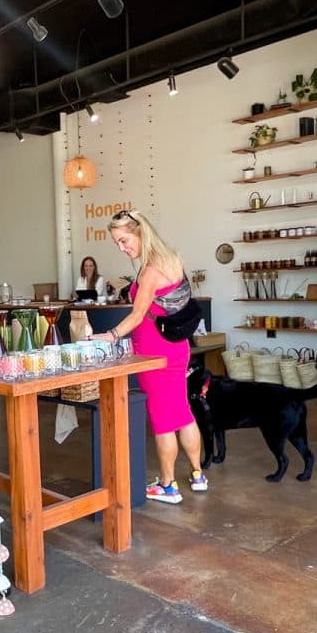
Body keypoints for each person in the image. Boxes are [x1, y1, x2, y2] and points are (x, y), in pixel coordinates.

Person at [90, 209, 205, 504]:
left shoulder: (151, 270)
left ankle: (168, 486)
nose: (122, 247)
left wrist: (111, 335)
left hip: (155, 351)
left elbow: (138, 315)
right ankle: (197, 475)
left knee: (163, 419)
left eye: (124, 240)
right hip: (177, 346)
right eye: (117, 243)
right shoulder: (172, 258)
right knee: (182, 412)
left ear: (140, 233)